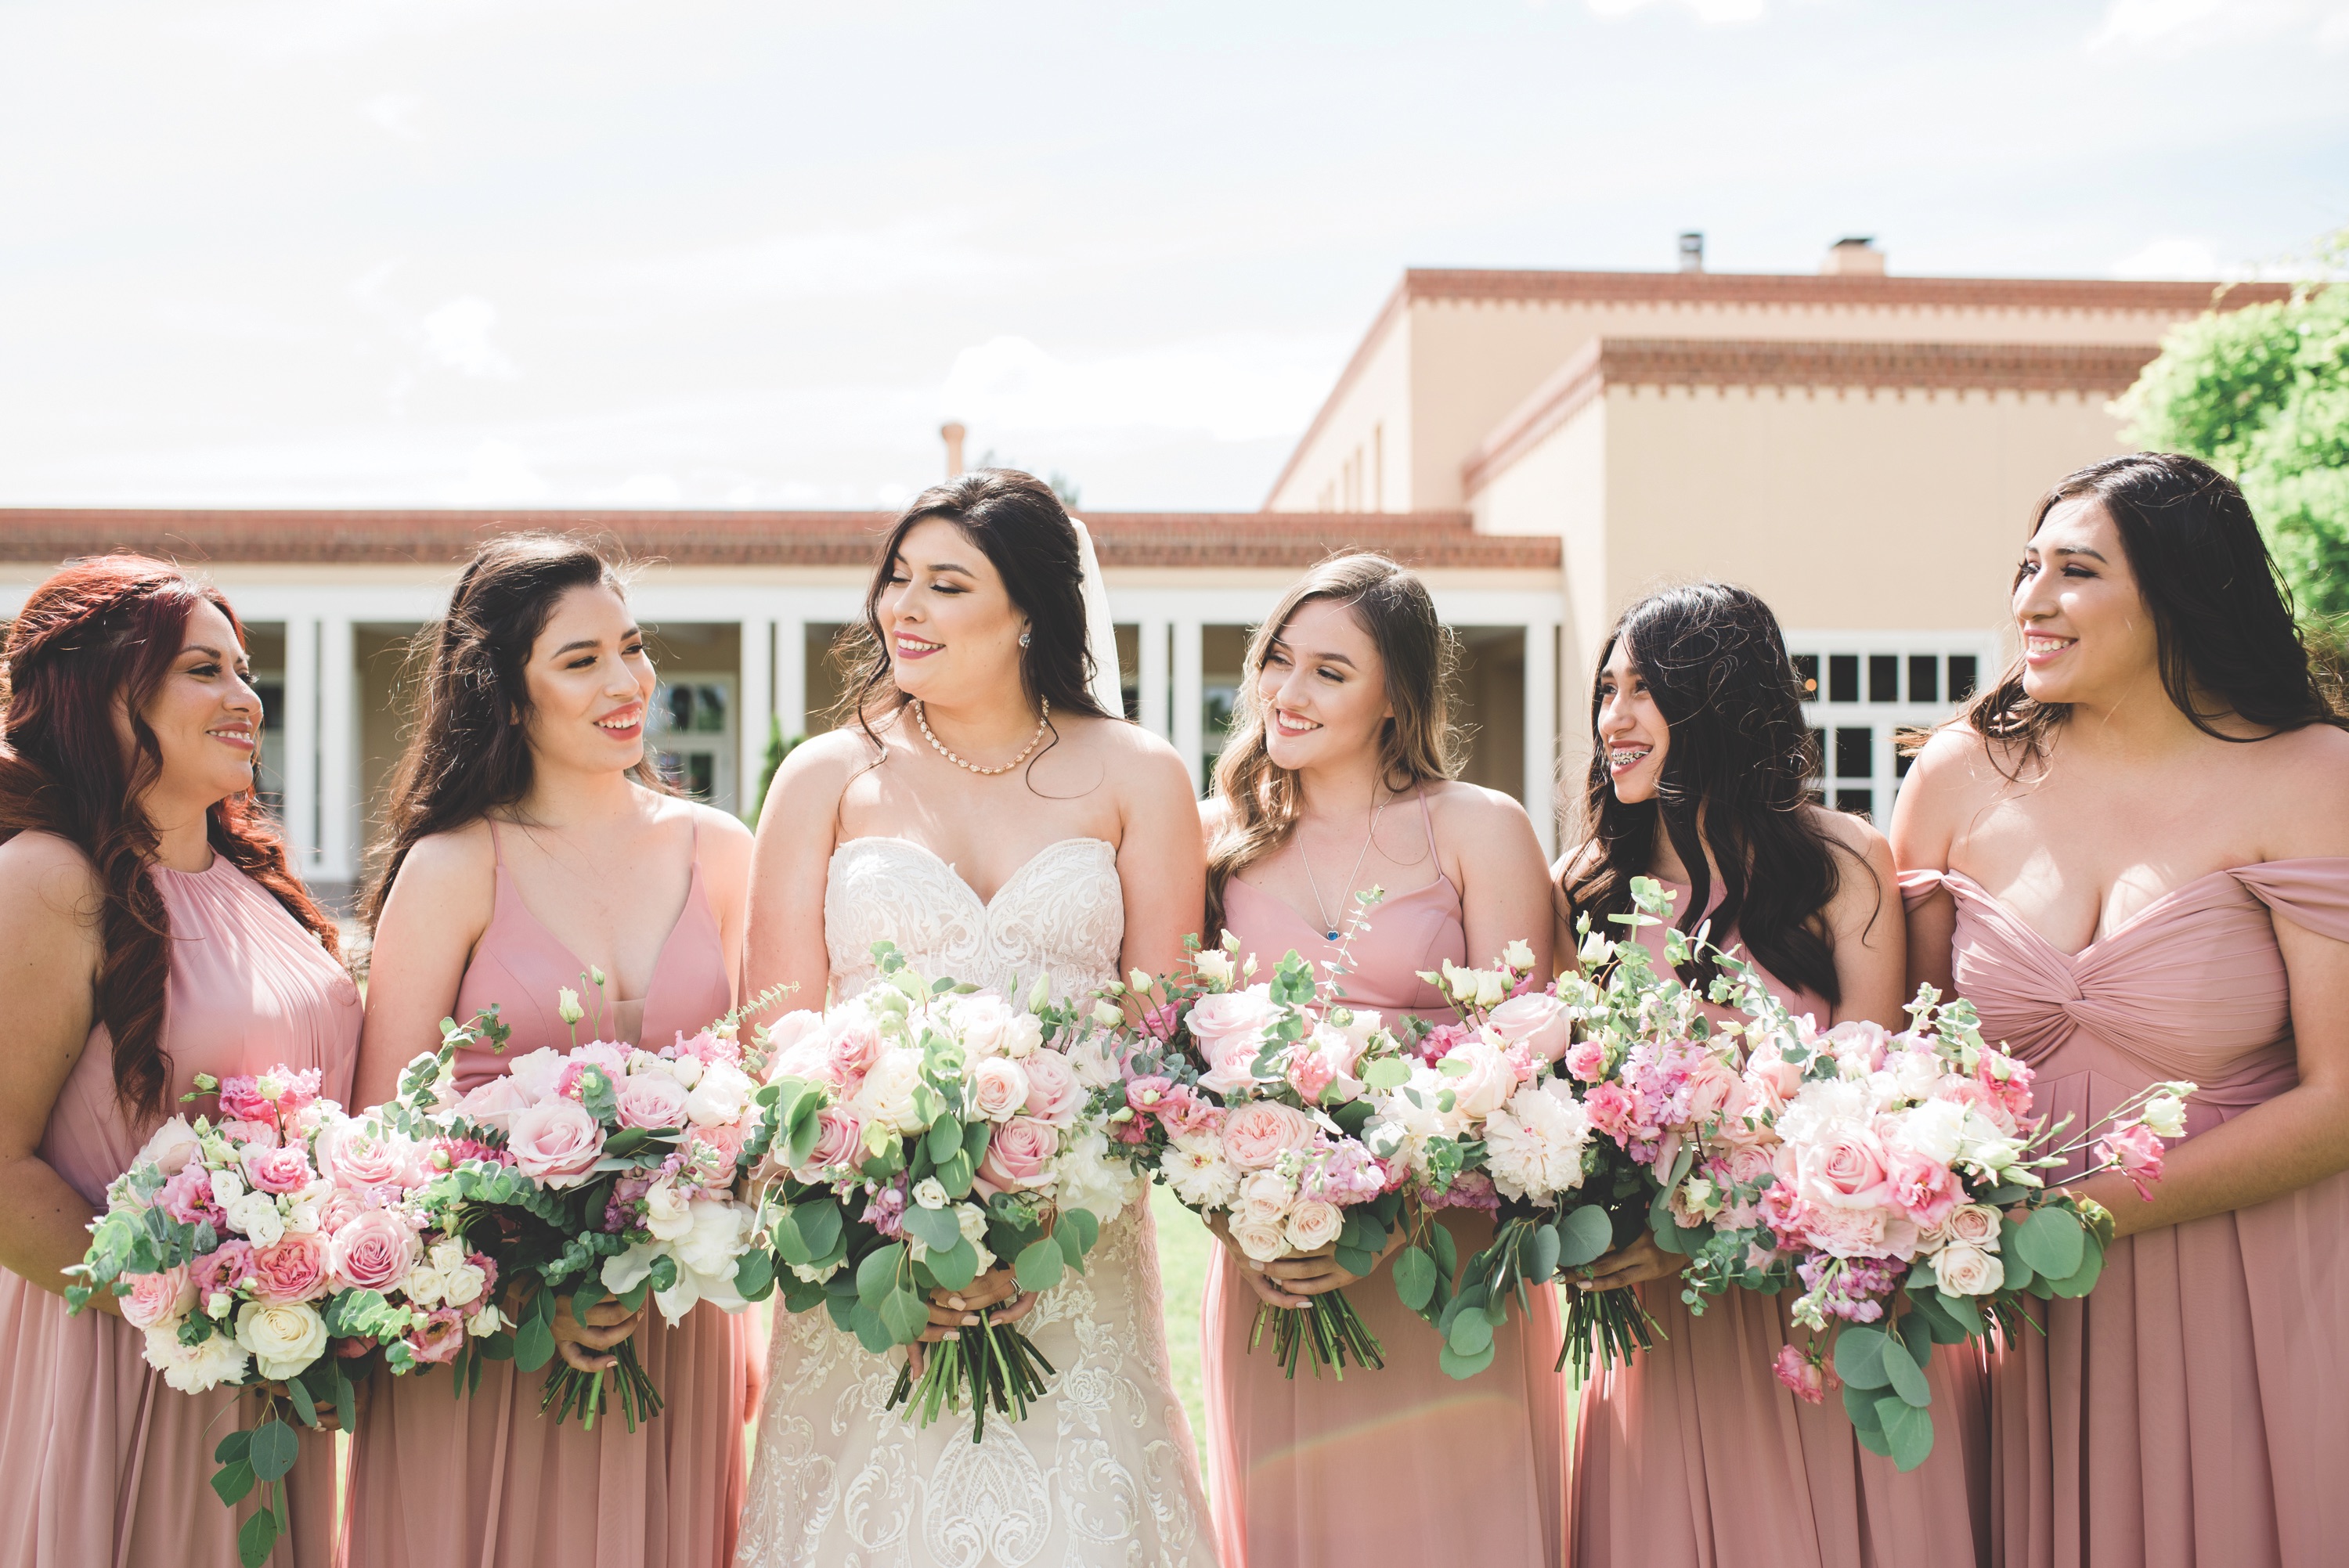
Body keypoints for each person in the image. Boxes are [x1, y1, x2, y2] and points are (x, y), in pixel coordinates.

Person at [732, 470, 1217, 1568]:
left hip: (1076, 1255)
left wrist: (1039, 1229)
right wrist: (890, 1231)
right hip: (865, 1268)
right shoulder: (824, 777)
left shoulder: (1137, 773)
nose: (903, 606)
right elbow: (772, 1040)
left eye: (947, 584)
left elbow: (1158, 1046)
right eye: (898, 578)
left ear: (1032, 614)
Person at [1891, 453, 2349, 1568]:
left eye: (2076, 571)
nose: (2031, 601)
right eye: (2027, 567)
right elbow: (1897, 1058)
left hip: (2244, 1288)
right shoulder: (1957, 775)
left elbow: (2343, 1096)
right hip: (2005, 1308)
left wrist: (2081, 1217)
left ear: (2182, 593)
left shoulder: (2310, 773)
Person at [343, 534, 756, 1568]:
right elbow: (379, 1139)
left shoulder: (724, 852)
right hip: (488, 1337)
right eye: (582, 659)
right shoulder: (452, 865)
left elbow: (761, 1103)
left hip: (671, 1330)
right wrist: (527, 1278)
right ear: (510, 698)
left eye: (634, 645)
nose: (628, 682)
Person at [1561, 582, 1988, 1568]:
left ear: (1717, 697)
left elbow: (1874, 1096)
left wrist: (1721, 1219)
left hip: (1824, 1293)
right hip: (1662, 1315)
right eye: (1606, 689)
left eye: (1643, 691)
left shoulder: (1839, 859)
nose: (1612, 719)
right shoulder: (1583, 883)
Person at [1196, 553, 1562, 1568]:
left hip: (1442, 1255)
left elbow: (1522, 1036)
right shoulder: (1213, 842)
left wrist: (1403, 1202)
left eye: (1329, 670)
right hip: (1283, 1265)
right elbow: (1167, 1065)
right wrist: (1238, 1220)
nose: (1287, 690)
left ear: (1395, 697)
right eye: (1279, 659)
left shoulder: (1478, 826)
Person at [0, 557, 360, 1567]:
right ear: (105, 691)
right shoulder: (46, 877)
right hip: (122, 1365)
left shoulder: (262, 889)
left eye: (246, 670)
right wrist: (199, 1307)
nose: (247, 696)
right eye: (207, 669)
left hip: (274, 1376)